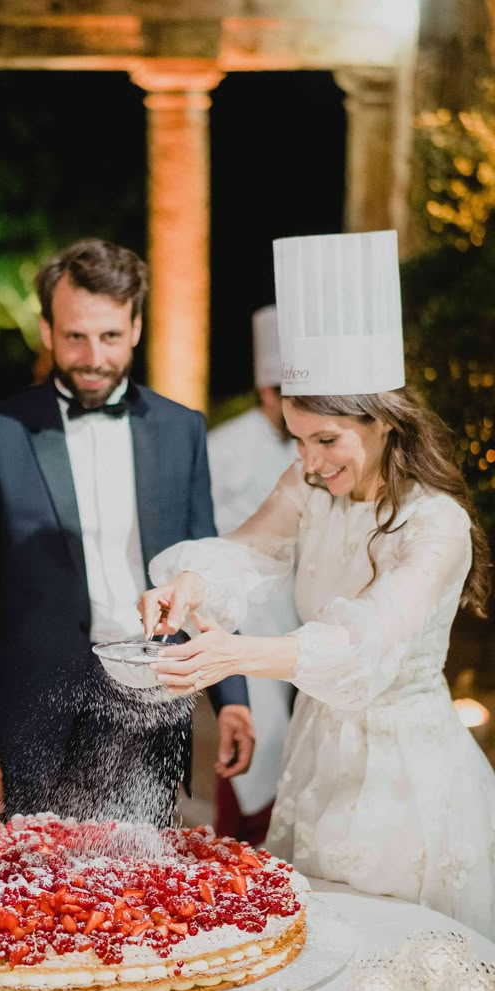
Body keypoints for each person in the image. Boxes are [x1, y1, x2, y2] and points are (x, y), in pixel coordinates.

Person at [139, 229, 495, 938]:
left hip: (406, 780)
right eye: (298, 439)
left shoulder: (436, 526)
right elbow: (248, 550)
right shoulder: (312, 487)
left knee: (404, 958)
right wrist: (188, 584)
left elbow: (362, 643)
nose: (309, 460)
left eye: (327, 440)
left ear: (387, 423)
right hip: (316, 753)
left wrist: (235, 655)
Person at [0, 238, 253, 829]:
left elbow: (207, 573)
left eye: (110, 336)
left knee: (141, 895)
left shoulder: (182, 430)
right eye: (75, 336)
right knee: (34, 901)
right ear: (47, 329)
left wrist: (232, 698)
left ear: (135, 327)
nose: (92, 356)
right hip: (33, 716)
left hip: (152, 705)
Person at [207, 305, 299, 844]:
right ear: (266, 391)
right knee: (256, 734)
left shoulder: (314, 449)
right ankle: (238, 843)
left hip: (302, 608)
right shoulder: (225, 447)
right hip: (250, 610)